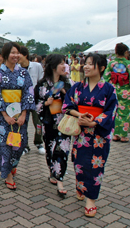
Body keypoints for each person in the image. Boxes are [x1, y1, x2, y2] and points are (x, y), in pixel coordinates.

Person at [63, 53, 118, 217]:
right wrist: (78, 115)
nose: (85, 67)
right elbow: (67, 105)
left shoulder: (109, 89)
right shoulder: (78, 87)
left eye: (90, 64)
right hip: (81, 133)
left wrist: (94, 123)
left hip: (98, 135)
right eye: (84, 63)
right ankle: (81, 186)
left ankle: (91, 200)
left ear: (101, 68)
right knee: (79, 163)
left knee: (96, 167)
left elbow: (111, 111)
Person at [0, 42, 35, 190]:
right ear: (6, 54)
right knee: (5, 146)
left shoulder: (24, 73)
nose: (16, 55)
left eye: (18, 53)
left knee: (19, 145)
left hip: (20, 115)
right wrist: (5, 115)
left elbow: (28, 93)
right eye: (13, 52)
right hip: (4, 118)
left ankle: (12, 165)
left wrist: (23, 114)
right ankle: (8, 174)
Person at [34, 54, 72, 197]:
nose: (64, 66)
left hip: (64, 122)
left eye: (65, 63)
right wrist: (45, 104)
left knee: (62, 150)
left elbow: (75, 102)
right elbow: (36, 104)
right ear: (53, 66)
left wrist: (64, 93)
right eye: (61, 63)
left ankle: (60, 180)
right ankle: (52, 172)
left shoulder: (67, 83)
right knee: (50, 150)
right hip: (49, 122)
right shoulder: (42, 84)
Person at [19, 46, 46, 155]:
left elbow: (42, 81)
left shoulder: (37, 66)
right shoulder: (16, 68)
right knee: (23, 124)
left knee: (38, 123)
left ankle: (39, 142)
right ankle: (24, 145)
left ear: (25, 55)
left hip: (36, 100)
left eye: (19, 54)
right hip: (22, 101)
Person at [104, 42, 130, 143]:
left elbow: (106, 77)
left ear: (116, 52)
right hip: (126, 92)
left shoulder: (111, 64)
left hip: (113, 91)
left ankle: (116, 135)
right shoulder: (129, 64)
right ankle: (123, 136)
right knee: (125, 113)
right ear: (126, 52)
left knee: (115, 112)